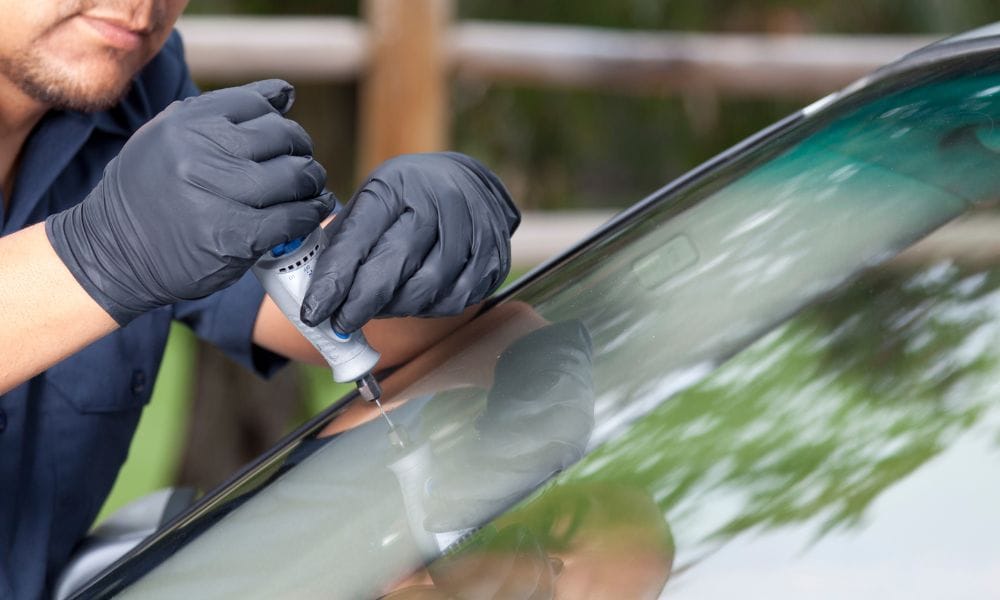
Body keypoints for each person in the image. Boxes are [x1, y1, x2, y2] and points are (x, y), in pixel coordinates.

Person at [0, 1, 520, 597]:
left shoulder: (132, 86)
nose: (144, 4)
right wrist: (96, 254)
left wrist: (431, 245)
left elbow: (314, 303)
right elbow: (130, 243)